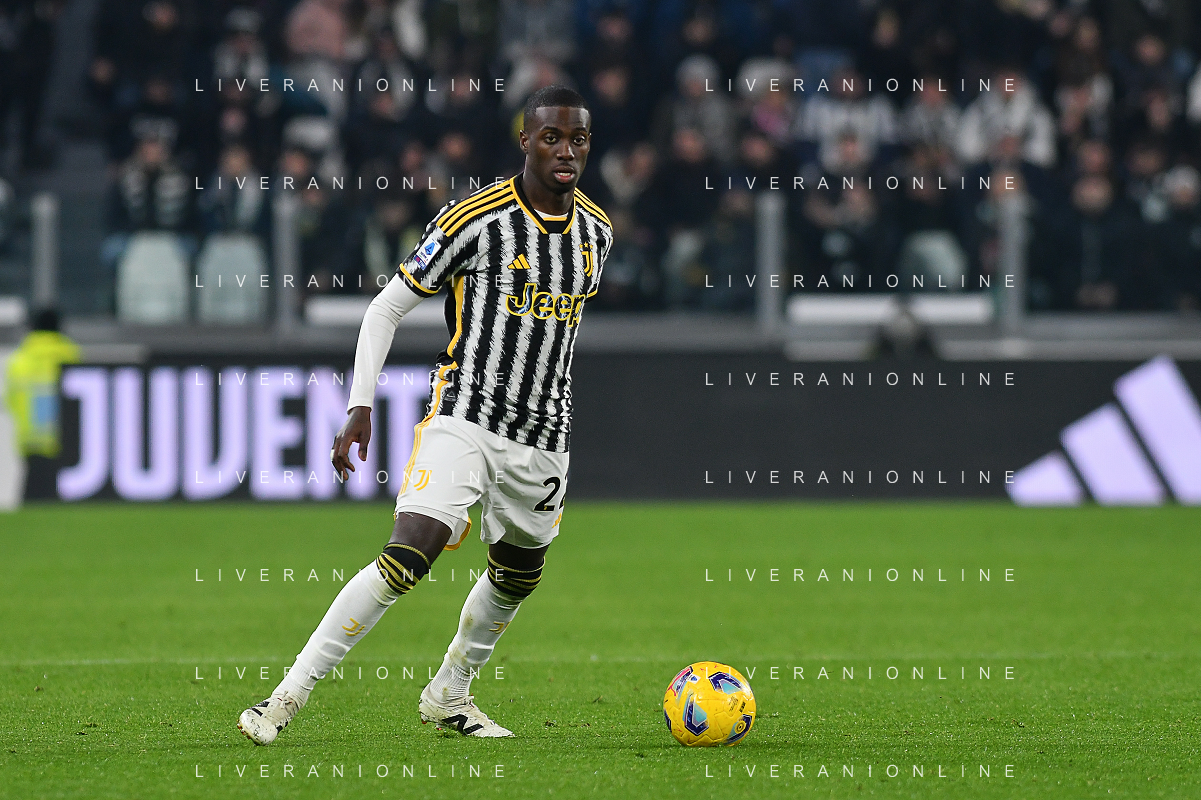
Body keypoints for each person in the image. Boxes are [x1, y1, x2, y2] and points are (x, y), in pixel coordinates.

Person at [237, 85, 611, 743]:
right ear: (525, 140)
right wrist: (360, 404)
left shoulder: (595, 232)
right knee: (408, 554)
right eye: (551, 137)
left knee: (517, 577)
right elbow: (385, 307)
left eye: (577, 139)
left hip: (545, 436)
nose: (565, 151)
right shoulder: (475, 219)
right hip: (465, 414)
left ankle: (449, 695)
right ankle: (285, 698)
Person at [2, 309, 82, 503]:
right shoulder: (73, 356)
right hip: (66, 441)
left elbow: (10, 402)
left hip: (32, 443)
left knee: (32, 500)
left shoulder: (18, 361)